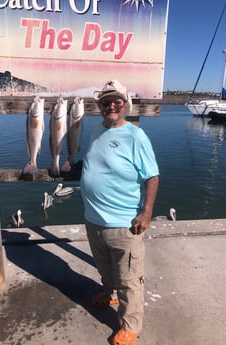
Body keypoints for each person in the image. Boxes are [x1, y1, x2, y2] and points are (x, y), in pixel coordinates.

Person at [80, 80, 159, 345]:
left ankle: (131, 325)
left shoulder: (135, 136)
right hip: (94, 220)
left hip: (125, 224)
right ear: (100, 106)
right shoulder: (94, 129)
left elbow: (152, 176)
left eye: (117, 102)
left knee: (129, 279)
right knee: (105, 268)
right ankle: (110, 293)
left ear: (125, 105)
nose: (111, 106)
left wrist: (146, 212)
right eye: (106, 102)